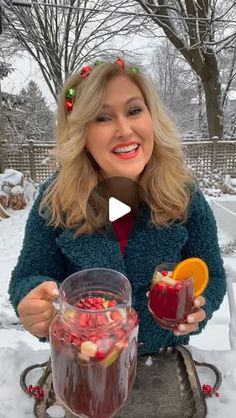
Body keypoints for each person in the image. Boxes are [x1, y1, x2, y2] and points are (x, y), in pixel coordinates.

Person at [8, 58, 226, 355]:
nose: (125, 129)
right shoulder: (55, 201)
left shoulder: (183, 195)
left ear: (152, 117)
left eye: (135, 110)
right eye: (102, 117)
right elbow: (29, 276)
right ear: (81, 133)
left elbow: (211, 273)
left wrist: (201, 307)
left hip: (164, 365)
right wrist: (32, 301)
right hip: (84, 363)